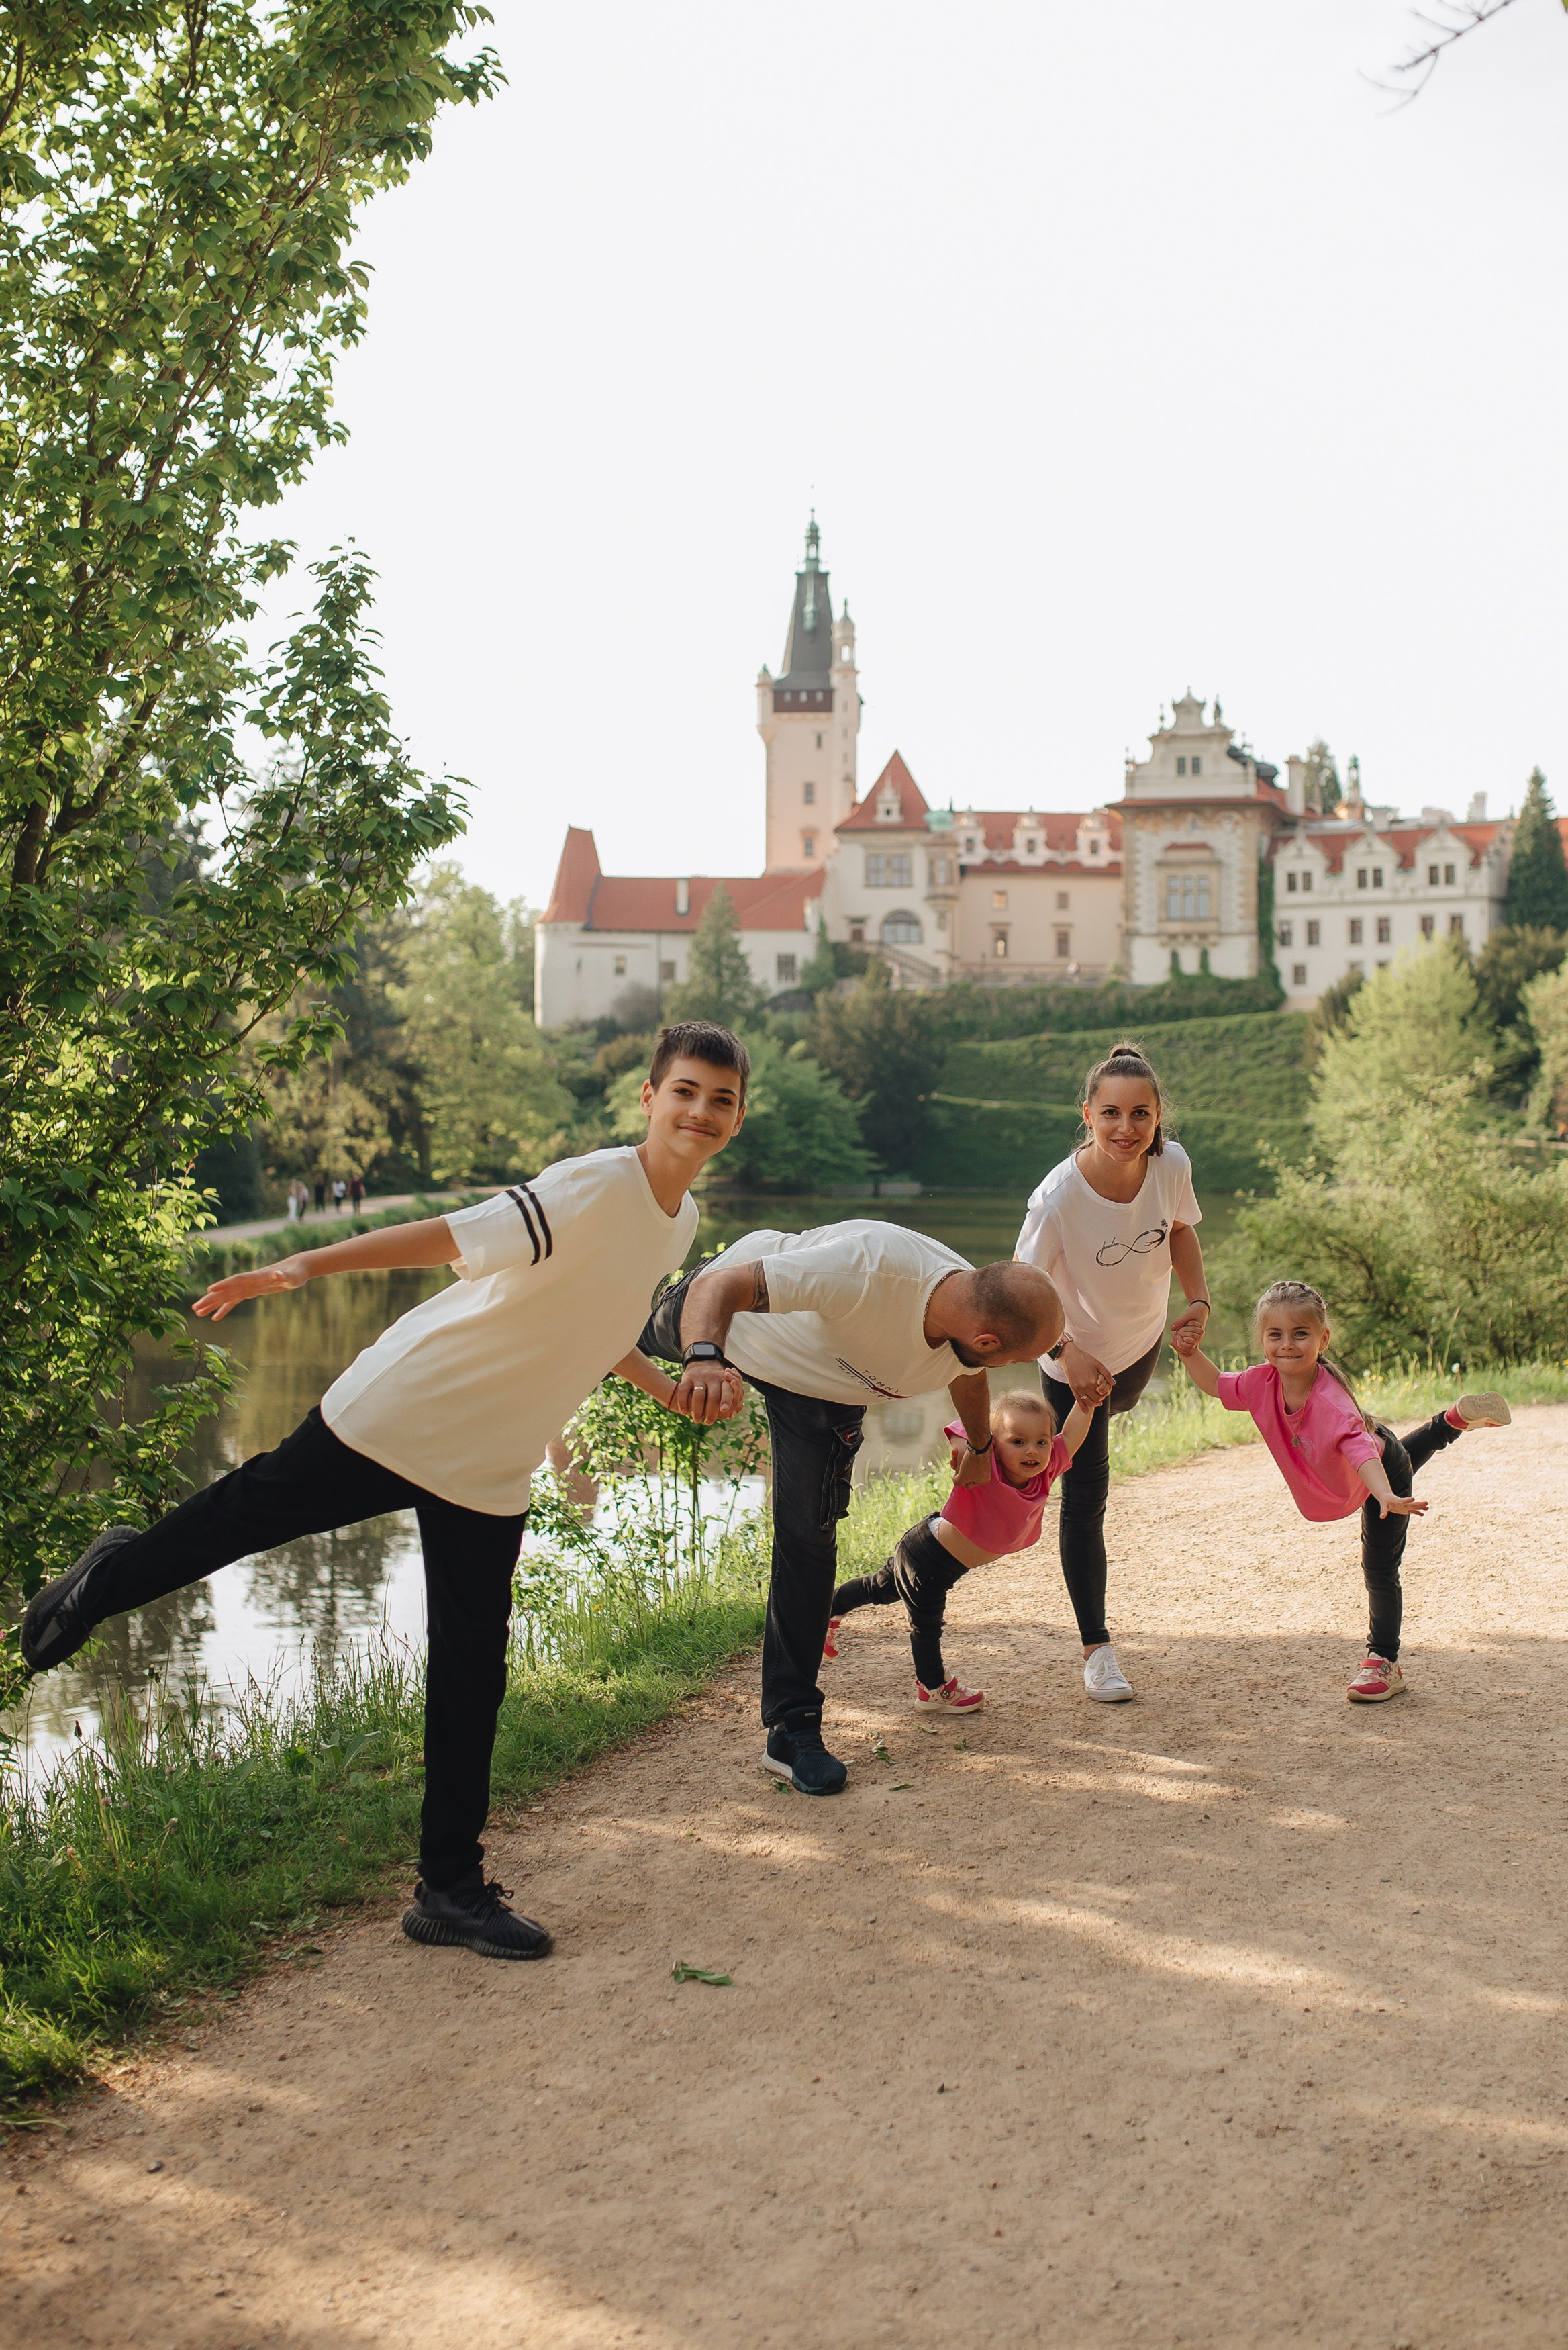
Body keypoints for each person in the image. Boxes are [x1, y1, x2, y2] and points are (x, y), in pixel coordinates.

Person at [21, 1023, 750, 1961]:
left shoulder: (678, 1218)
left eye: (721, 1099)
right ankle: (100, 1584)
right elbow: (449, 1235)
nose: (700, 1111)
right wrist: (305, 1264)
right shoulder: (594, 1184)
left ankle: (448, 1891)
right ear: (648, 1098)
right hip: (408, 1409)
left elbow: (599, 1317)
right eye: (684, 1091)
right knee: (236, 1521)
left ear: (738, 1117)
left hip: (490, 1461)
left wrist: (662, 1389)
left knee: (472, 1670)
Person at [635, 1223, 1064, 1795]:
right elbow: (721, 1288)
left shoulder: (969, 1311)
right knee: (610, 1339)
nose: (1001, 1366)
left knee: (808, 1541)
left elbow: (967, 1371)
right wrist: (704, 1358)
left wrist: (982, 1447)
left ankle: (792, 1728)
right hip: (731, 1328)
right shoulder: (866, 1272)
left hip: (824, 1391)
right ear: (987, 1338)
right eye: (1013, 1359)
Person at [1172, 1279, 1510, 1703]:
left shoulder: (1333, 1404)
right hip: (1371, 1460)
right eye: (1275, 1334)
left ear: (1323, 1339)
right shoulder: (1260, 1383)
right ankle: (1452, 1420)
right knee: (1396, 1456)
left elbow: (1362, 1453)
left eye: (1301, 1334)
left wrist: (1385, 1495)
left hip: (1378, 1468)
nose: (1287, 1345)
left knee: (1379, 1567)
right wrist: (1189, 1353)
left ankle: (1383, 1662)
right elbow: (1216, 1383)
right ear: (1262, 1340)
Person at [1015, 1040, 1211, 1705]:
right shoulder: (1056, 1199)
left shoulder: (1171, 1164)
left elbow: (1178, 1229)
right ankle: (1096, 1650)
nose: (1125, 1128)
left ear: (1158, 1117)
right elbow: (1020, 1293)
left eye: (1140, 1114)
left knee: (1113, 1418)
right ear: (1087, 1115)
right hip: (1075, 1360)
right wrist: (1066, 1350)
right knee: (1085, 1493)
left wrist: (1198, 1300)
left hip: (1140, 1345)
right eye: (1110, 1113)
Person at [825, 1384, 1093, 1713]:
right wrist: (969, 1453)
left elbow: (1072, 1435)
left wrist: (1088, 1401)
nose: (1032, 1451)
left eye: (1041, 1442)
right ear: (994, 1446)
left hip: (943, 1558)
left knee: (879, 1589)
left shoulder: (1048, 1469)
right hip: (928, 1556)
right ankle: (932, 1688)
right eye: (1017, 1442)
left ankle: (828, 1610)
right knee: (926, 1623)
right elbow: (960, 1429)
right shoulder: (985, 1468)